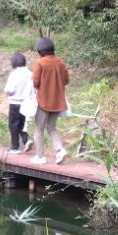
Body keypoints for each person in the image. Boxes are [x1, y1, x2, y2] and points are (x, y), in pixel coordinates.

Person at [31, 37, 70, 165]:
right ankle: (60, 150)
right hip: (58, 102)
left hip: (43, 102)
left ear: (40, 50)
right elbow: (66, 81)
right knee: (52, 128)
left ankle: (40, 157)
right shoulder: (61, 62)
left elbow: (35, 82)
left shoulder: (40, 63)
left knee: (39, 129)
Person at [4, 52, 34, 154]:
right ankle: (26, 140)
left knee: (13, 125)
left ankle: (15, 147)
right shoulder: (30, 73)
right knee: (21, 124)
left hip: (15, 103)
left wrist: (7, 92)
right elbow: (33, 89)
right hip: (26, 103)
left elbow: (10, 89)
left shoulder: (14, 74)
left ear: (14, 62)